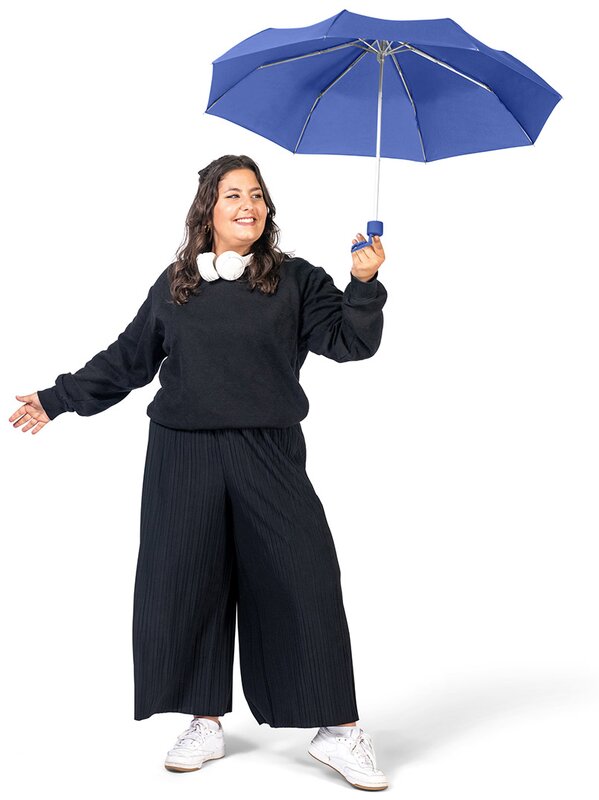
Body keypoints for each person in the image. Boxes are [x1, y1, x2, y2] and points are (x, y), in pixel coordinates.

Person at [9, 154, 389, 791]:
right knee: (187, 583)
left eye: (257, 195)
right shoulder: (177, 283)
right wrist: (58, 398)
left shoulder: (297, 280)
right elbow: (129, 359)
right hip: (182, 452)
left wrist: (364, 282)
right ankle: (204, 720)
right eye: (233, 194)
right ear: (208, 208)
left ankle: (337, 730)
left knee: (305, 578)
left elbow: (352, 343)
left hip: (267, 449)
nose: (248, 205)